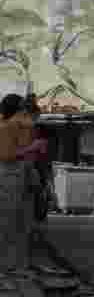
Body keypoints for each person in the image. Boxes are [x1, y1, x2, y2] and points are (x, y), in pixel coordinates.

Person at [0, 94, 43, 274]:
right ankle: (9, 265)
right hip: (9, 178)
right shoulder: (5, 127)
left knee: (22, 222)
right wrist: (33, 148)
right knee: (10, 222)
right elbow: (7, 156)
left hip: (18, 176)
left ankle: (18, 264)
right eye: (22, 110)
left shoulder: (16, 126)